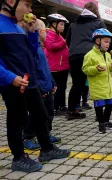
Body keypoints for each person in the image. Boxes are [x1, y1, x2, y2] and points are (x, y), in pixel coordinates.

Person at [0, 0, 70, 172]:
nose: (31, 10)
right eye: (28, 5)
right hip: (12, 83)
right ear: (10, 2)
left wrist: (31, 33)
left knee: (40, 114)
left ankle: (46, 149)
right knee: (17, 120)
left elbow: (31, 54)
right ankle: (18, 158)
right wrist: (10, 77)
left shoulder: (18, 27)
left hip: (29, 81)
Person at [22, 19, 61, 150]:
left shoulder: (41, 49)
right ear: (39, 32)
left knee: (49, 113)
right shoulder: (33, 51)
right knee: (37, 115)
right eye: (46, 31)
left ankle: (46, 133)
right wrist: (38, 87)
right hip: (40, 88)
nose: (48, 34)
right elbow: (32, 71)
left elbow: (45, 68)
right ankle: (27, 136)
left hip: (47, 86)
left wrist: (52, 82)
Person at [66, 2, 107, 120]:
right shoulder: (99, 23)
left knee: (77, 84)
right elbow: (105, 38)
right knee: (96, 81)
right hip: (90, 55)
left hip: (74, 55)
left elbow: (68, 41)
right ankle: (101, 113)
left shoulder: (73, 24)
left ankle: (71, 111)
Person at [82, 28, 112, 133]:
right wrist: (96, 69)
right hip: (97, 86)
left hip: (108, 86)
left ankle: (106, 121)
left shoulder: (107, 55)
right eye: (106, 42)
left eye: (109, 42)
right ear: (97, 41)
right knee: (100, 105)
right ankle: (101, 124)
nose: (108, 44)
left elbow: (111, 69)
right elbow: (85, 69)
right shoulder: (89, 55)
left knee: (110, 103)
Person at [44, 13, 69, 116]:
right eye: (62, 24)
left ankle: (62, 106)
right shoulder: (49, 33)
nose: (63, 27)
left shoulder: (58, 35)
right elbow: (50, 46)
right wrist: (64, 43)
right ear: (54, 23)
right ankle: (55, 107)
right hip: (55, 67)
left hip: (63, 66)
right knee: (57, 88)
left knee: (62, 87)